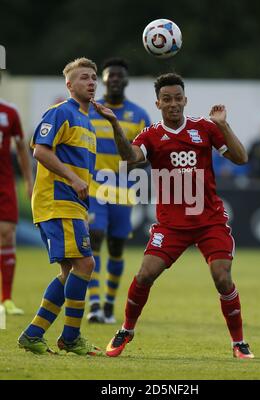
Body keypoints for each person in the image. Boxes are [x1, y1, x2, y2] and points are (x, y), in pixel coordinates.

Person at [91, 73, 254, 359]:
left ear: (185, 100)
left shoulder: (205, 128)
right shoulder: (151, 135)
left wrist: (224, 125)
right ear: (158, 103)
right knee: (144, 275)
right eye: (167, 99)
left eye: (178, 98)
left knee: (222, 278)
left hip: (209, 221)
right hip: (172, 225)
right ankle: (126, 329)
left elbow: (241, 158)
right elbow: (130, 156)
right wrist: (115, 124)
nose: (173, 104)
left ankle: (238, 342)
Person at [17, 57, 101, 355]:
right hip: (56, 201)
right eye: (83, 78)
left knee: (70, 272)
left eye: (93, 77)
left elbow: (80, 167)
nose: (90, 82)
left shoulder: (88, 123)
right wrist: (73, 180)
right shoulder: (60, 112)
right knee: (86, 264)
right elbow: (40, 150)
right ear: (69, 84)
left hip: (72, 204)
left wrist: (85, 186)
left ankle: (33, 334)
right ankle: (70, 336)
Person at [87, 58, 151, 324]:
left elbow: (149, 154)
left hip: (123, 189)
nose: (114, 79)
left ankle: (110, 305)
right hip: (94, 187)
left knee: (116, 247)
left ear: (126, 81)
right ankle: (93, 305)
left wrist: (135, 162)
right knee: (95, 237)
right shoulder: (90, 110)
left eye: (118, 76)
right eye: (109, 75)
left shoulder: (138, 115)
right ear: (103, 80)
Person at [0, 90, 33, 315]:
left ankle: (7, 300)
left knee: (7, 234)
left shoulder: (10, 111)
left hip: (4, 183)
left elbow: (22, 148)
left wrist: (29, 180)